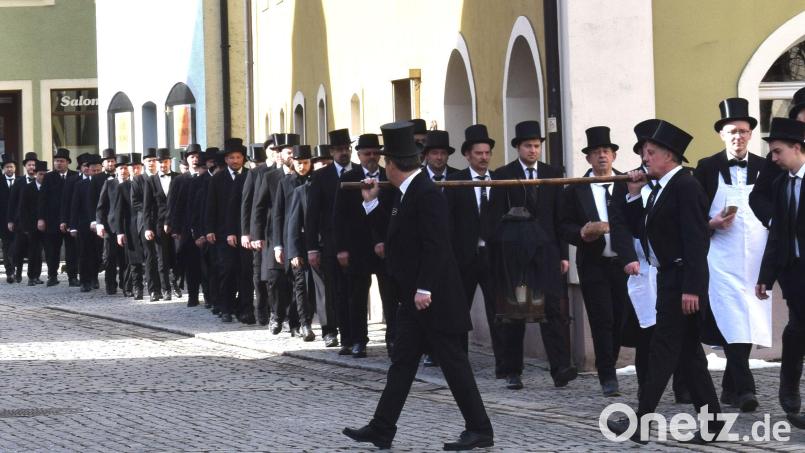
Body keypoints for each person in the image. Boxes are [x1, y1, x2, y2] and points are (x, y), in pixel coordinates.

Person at [343, 120, 493, 451]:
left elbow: (437, 245)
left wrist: (425, 288)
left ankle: (480, 429)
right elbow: (394, 234)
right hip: (414, 300)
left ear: (392, 165)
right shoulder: (407, 192)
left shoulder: (426, 193)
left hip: (434, 298)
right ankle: (382, 428)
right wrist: (370, 202)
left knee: (454, 365)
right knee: (402, 364)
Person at [609, 119, 723, 444]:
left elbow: (696, 241)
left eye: (651, 153)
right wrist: (633, 196)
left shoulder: (686, 186)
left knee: (662, 350)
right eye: (645, 153)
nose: (645, 159)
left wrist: (692, 288)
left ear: (669, 156)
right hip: (667, 278)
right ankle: (713, 422)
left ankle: (641, 422)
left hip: (681, 280)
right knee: (689, 356)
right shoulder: (661, 189)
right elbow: (641, 231)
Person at [693, 98, 770, 412]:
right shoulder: (706, 167)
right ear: (721, 135)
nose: (738, 136)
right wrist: (710, 223)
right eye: (732, 131)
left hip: (754, 257)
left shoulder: (765, 167)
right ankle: (746, 388)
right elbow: (692, 213)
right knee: (731, 317)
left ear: (750, 134)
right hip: (721, 256)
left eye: (743, 131)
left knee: (749, 319)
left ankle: (729, 387)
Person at [488, 120, 573, 390]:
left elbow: (560, 217)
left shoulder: (552, 173)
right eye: (528, 146)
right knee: (515, 311)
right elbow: (494, 216)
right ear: (518, 147)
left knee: (553, 310)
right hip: (515, 254)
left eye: (537, 145)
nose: (533, 150)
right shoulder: (504, 174)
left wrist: (563, 254)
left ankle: (560, 368)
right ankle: (512, 370)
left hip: (547, 251)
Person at [559, 126, 629, 397]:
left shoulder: (626, 183)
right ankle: (607, 375)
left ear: (613, 156)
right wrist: (581, 232)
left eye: (606, 151)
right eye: (596, 152)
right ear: (588, 158)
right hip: (593, 263)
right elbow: (563, 225)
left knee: (620, 319)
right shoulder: (576, 189)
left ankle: (609, 362)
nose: (602, 156)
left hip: (623, 264)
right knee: (602, 320)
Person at [755, 117, 805, 430]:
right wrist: (765, 276)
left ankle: (789, 389)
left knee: (798, 329)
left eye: (777, 151)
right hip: (794, 273)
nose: (773, 158)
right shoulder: (780, 184)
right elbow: (776, 237)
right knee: (797, 329)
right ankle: (789, 388)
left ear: (797, 148)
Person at [442, 124, 502, 375]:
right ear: (467, 155)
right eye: (479, 153)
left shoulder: (499, 181)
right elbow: (447, 222)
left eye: (487, 153)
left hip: (493, 256)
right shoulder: (454, 182)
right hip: (463, 256)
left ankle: (505, 365)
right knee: (459, 311)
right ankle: (459, 363)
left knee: (498, 311)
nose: (484, 158)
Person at [334, 133, 398, 357]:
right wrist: (341, 248)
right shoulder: (349, 178)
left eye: (374, 153)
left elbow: (393, 213)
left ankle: (392, 340)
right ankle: (358, 340)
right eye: (366, 153)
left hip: (385, 247)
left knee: (390, 296)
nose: (371, 157)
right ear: (359, 155)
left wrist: (383, 240)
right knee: (357, 296)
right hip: (357, 247)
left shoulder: (389, 177)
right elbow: (339, 217)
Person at [306, 129, 354, 348]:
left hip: (356, 244)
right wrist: (312, 248)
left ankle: (354, 334)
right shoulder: (321, 176)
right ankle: (334, 332)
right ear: (332, 152)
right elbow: (312, 215)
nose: (344, 153)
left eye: (347, 148)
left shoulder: (359, 172)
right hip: (330, 243)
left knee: (354, 290)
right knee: (334, 291)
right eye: (339, 149)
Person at [253, 133, 300, 331]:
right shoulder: (270, 177)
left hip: (297, 233)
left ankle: (293, 320)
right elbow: (259, 206)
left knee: (296, 279)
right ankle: (276, 313)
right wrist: (256, 235)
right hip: (275, 233)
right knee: (275, 279)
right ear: (280, 154)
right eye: (288, 152)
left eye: (294, 152)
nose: (292, 156)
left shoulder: (302, 177)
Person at [273, 144, 317, 341]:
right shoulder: (285, 183)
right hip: (293, 240)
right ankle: (301, 324)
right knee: (299, 284)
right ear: (293, 163)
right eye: (299, 163)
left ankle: (302, 321)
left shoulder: (316, 181)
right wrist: (279, 245)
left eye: (305, 163)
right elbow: (278, 215)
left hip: (314, 240)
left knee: (311, 287)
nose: (302, 167)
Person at [206, 139, 251, 323]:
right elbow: (211, 205)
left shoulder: (250, 175)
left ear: (243, 158)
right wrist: (209, 229)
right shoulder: (218, 178)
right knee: (227, 270)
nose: (235, 161)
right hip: (222, 232)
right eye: (231, 157)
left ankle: (245, 308)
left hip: (245, 231)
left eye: (238, 157)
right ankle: (226, 307)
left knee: (245, 271)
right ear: (226, 160)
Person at [241, 138, 276, 323]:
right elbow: (247, 204)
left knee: (275, 272)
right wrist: (247, 232)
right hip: (259, 229)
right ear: (266, 151)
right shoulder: (255, 173)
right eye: (272, 149)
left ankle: (276, 309)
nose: (275, 152)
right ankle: (261, 308)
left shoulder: (284, 171)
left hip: (277, 229)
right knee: (259, 271)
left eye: (278, 149)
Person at [38, 148, 78, 287]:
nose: (58, 163)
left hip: (70, 219)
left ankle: (73, 277)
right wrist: (41, 218)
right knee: (52, 251)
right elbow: (42, 199)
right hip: (52, 219)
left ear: (67, 162)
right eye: (56, 161)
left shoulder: (75, 176)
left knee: (72, 250)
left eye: (61, 161)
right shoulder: (49, 177)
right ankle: (52, 276)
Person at [144, 148, 180, 300]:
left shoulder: (178, 178)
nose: (163, 165)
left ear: (170, 162)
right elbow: (147, 207)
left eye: (165, 161)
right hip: (158, 225)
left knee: (179, 255)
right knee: (162, 258)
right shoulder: (151, 180)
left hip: (177, 223)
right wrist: (147, 228)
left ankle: (176, 283)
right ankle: (166, 289)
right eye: (160, 162)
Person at [69, 154, 103, 292]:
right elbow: (74, 206)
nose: (96, 173)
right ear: (88, 170)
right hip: (83, 224)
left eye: (98, 171)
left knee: (97, 253)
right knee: (84, 253)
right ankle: (84, 281)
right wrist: (73, 226)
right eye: (93, 170)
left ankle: (94, 277)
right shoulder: (80, 185)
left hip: (101, 224)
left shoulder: (106, 183)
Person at [131, 148, 161, 301]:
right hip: (145, 222)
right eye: (149, 161)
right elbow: (135, 202)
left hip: (161, 222)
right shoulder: (138, 179)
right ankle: (153, 290)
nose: (152, 163)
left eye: (154, 160)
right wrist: (149, 209)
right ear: (144, 163)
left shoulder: (160, 177)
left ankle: (166, 287)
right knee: (150, 257)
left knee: (162, 256)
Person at [14, 160, 47, 286]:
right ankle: (31, 276)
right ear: (36, 174)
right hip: (31, 225)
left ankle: (37, 275)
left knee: (41, 252)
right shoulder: (28, 188)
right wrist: (25, 227)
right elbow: (22, 209)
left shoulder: (48, 187)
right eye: (40, 174)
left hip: (46, 225)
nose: (42, 176)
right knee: (33, 251)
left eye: (44, 174)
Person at [8, 152, 38, 284]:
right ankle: (18, 272)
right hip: (20, 221)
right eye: (29, 165)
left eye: (33, 165)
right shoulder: (19, 181)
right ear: (25, 166)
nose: (31, 167)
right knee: (19, 248)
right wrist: (10, 220)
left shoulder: (41, 180)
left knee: (35, 249)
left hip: (35, 220)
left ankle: (34, 276)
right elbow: (12, 202)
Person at [1, 154, 20, 283]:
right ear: (3, 169)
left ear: (15, 168)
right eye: (7, 167)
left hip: (18, 220)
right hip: (2, 220)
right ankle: (9, 271)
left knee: (16, 245)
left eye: (11, 167)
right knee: (6, 245)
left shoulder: (20, 181)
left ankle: (16, 269)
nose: (9, 169)